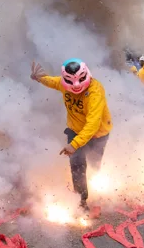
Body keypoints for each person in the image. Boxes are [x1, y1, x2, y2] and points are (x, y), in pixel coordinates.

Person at [31, 59, 112, 210]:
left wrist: (74, 144)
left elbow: (93, 124)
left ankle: (97, 190)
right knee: (77, 165)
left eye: (81, 80)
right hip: (75, 131)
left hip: (97, 134)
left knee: (94, 165)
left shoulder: (95, 91)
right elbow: (52, 82)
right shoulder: (62, 84)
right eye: (70, 81)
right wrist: (40, 78)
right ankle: (81, 201)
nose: (76, 85)